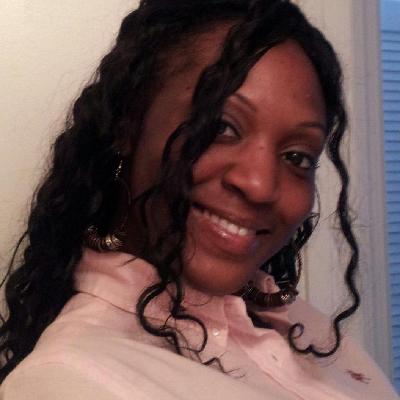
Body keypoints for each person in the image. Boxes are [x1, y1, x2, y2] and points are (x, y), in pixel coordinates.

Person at [0, 0, 397, 399]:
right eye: (221, 127)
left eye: (297, 157)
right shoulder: (72, 380)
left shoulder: (305, 327)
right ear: (128, 124)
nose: (260, 185)